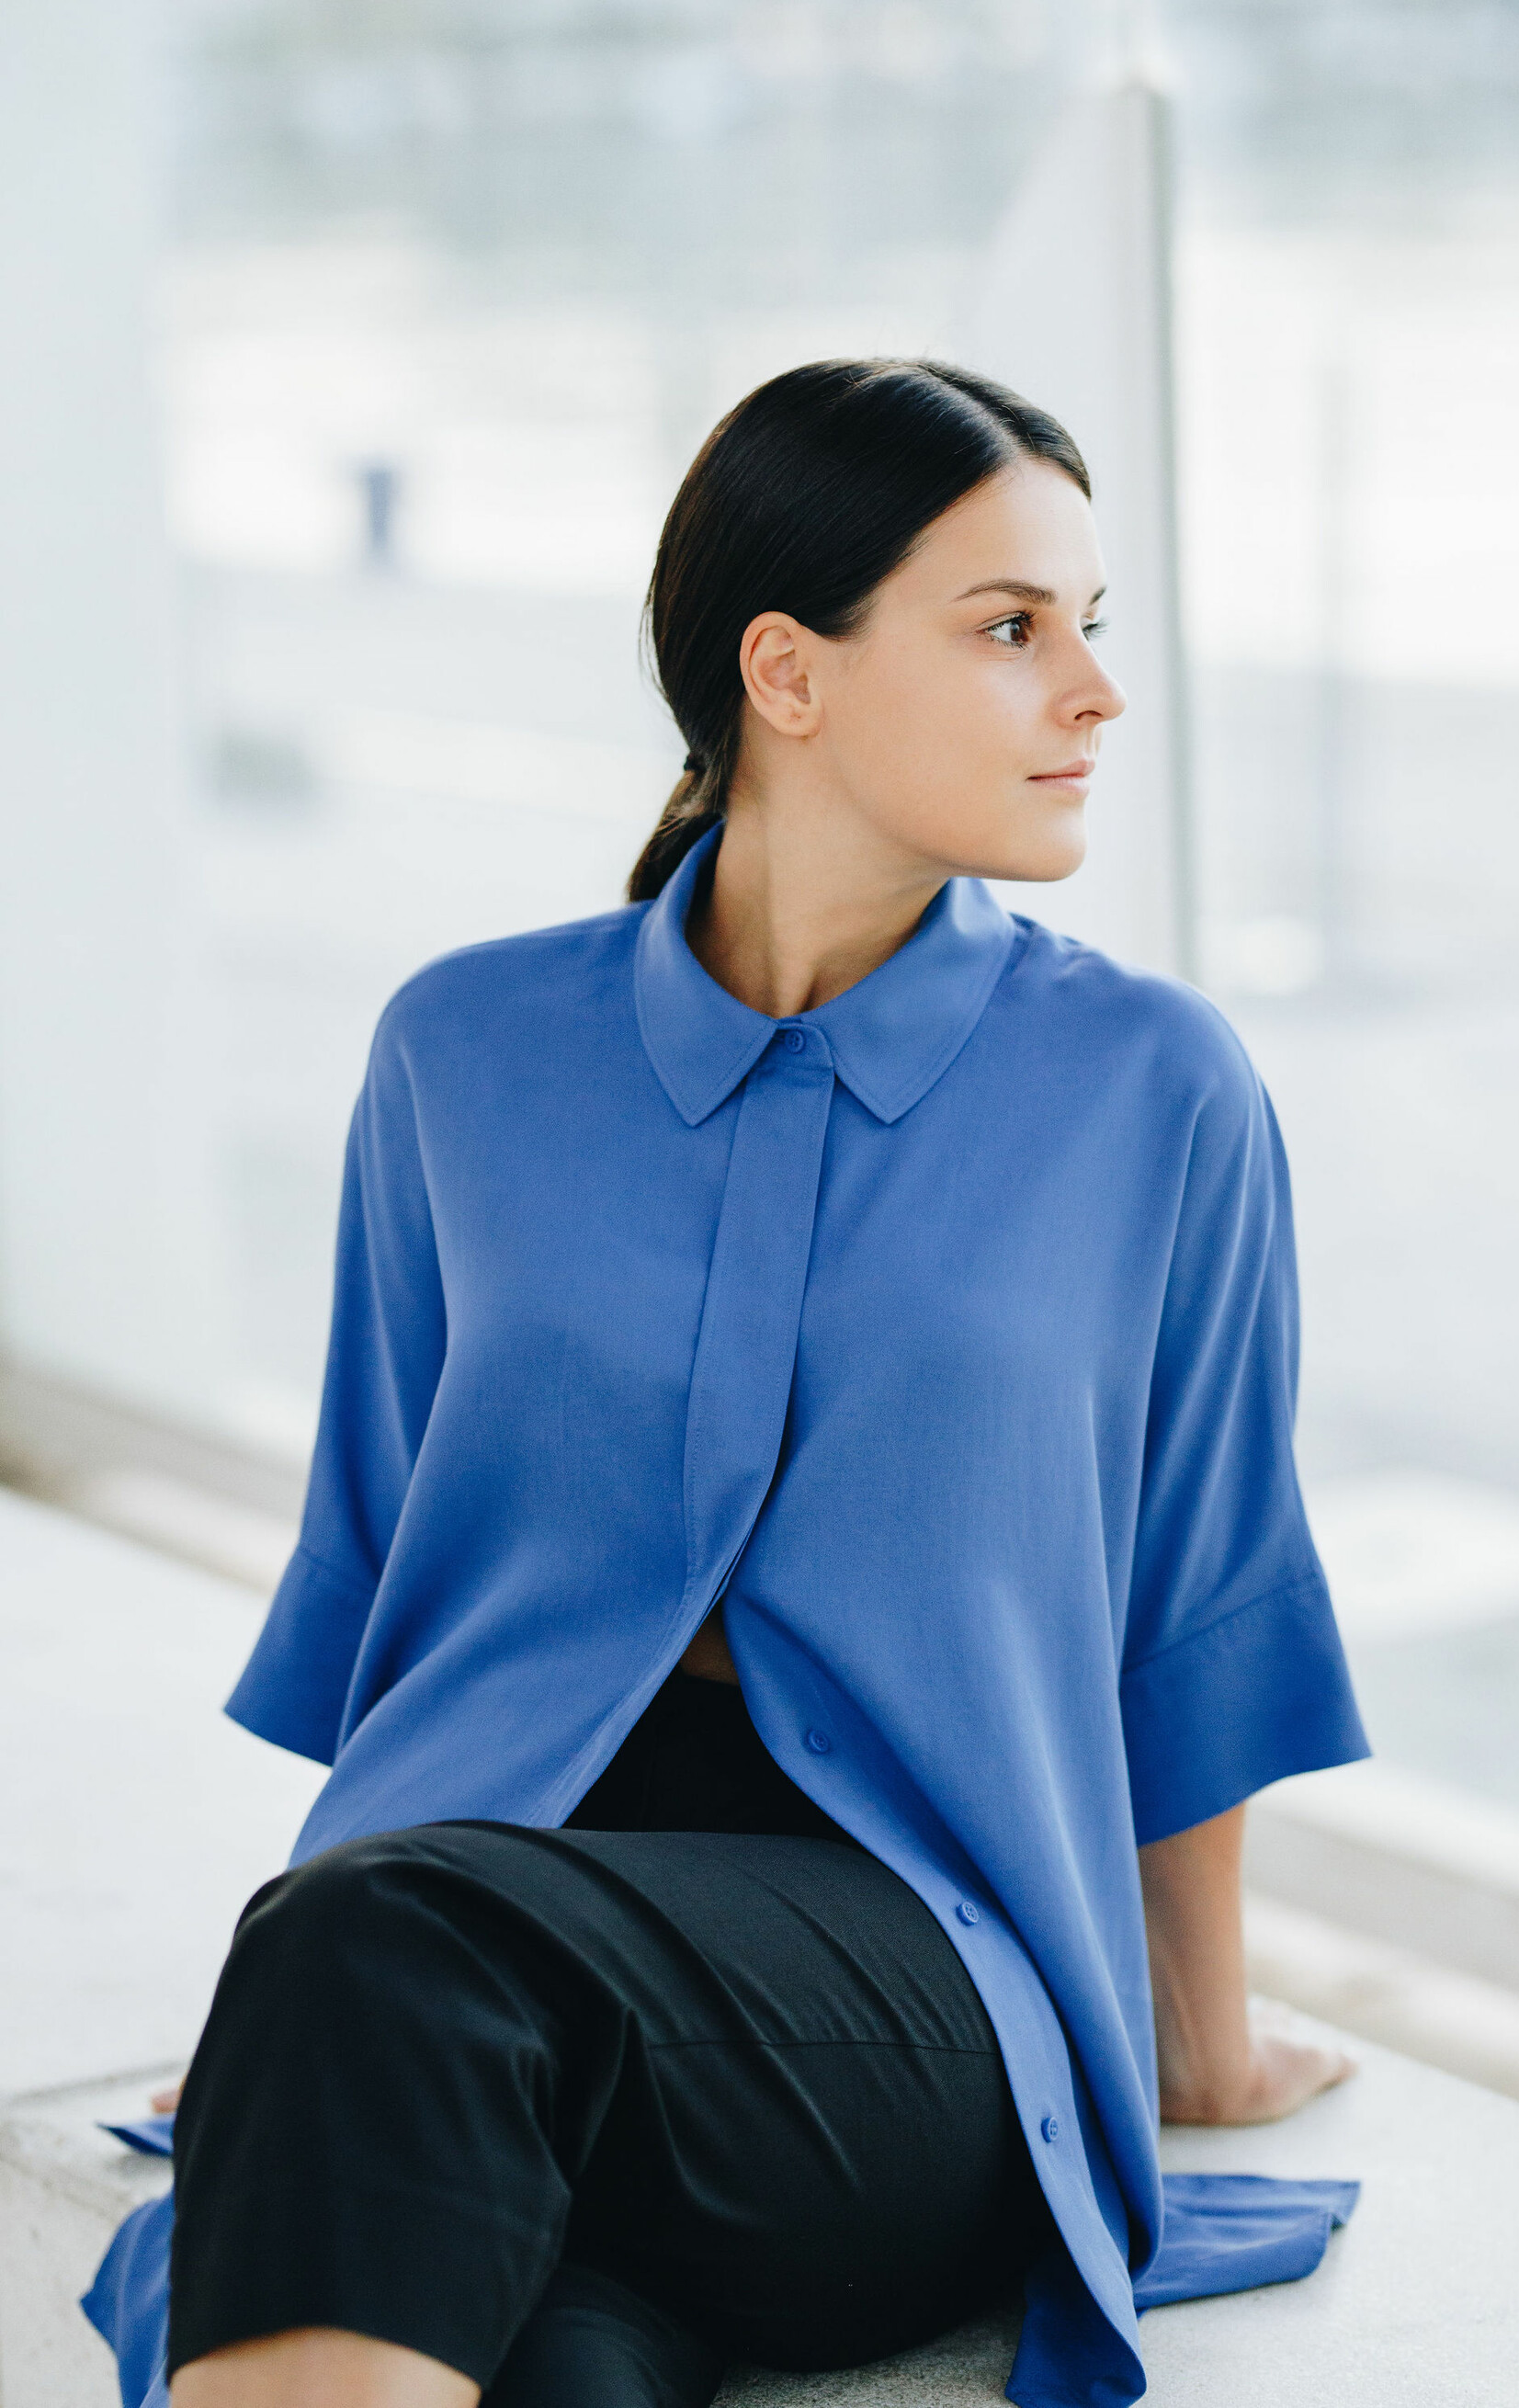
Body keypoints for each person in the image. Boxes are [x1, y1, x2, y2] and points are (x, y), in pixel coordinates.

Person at [87, 359, 1367, 2408]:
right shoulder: (465, 1054)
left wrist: (1194, 2044)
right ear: (789, 673)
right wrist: (337, 2019)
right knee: (553, 2364)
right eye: (1012, 630)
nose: (1096, 696)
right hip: (489, 1918)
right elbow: (388, 1552)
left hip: (908, 1971)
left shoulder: (1150, 1092)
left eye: (1092, 629)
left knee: (367, 1953)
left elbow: (1194, 1598)